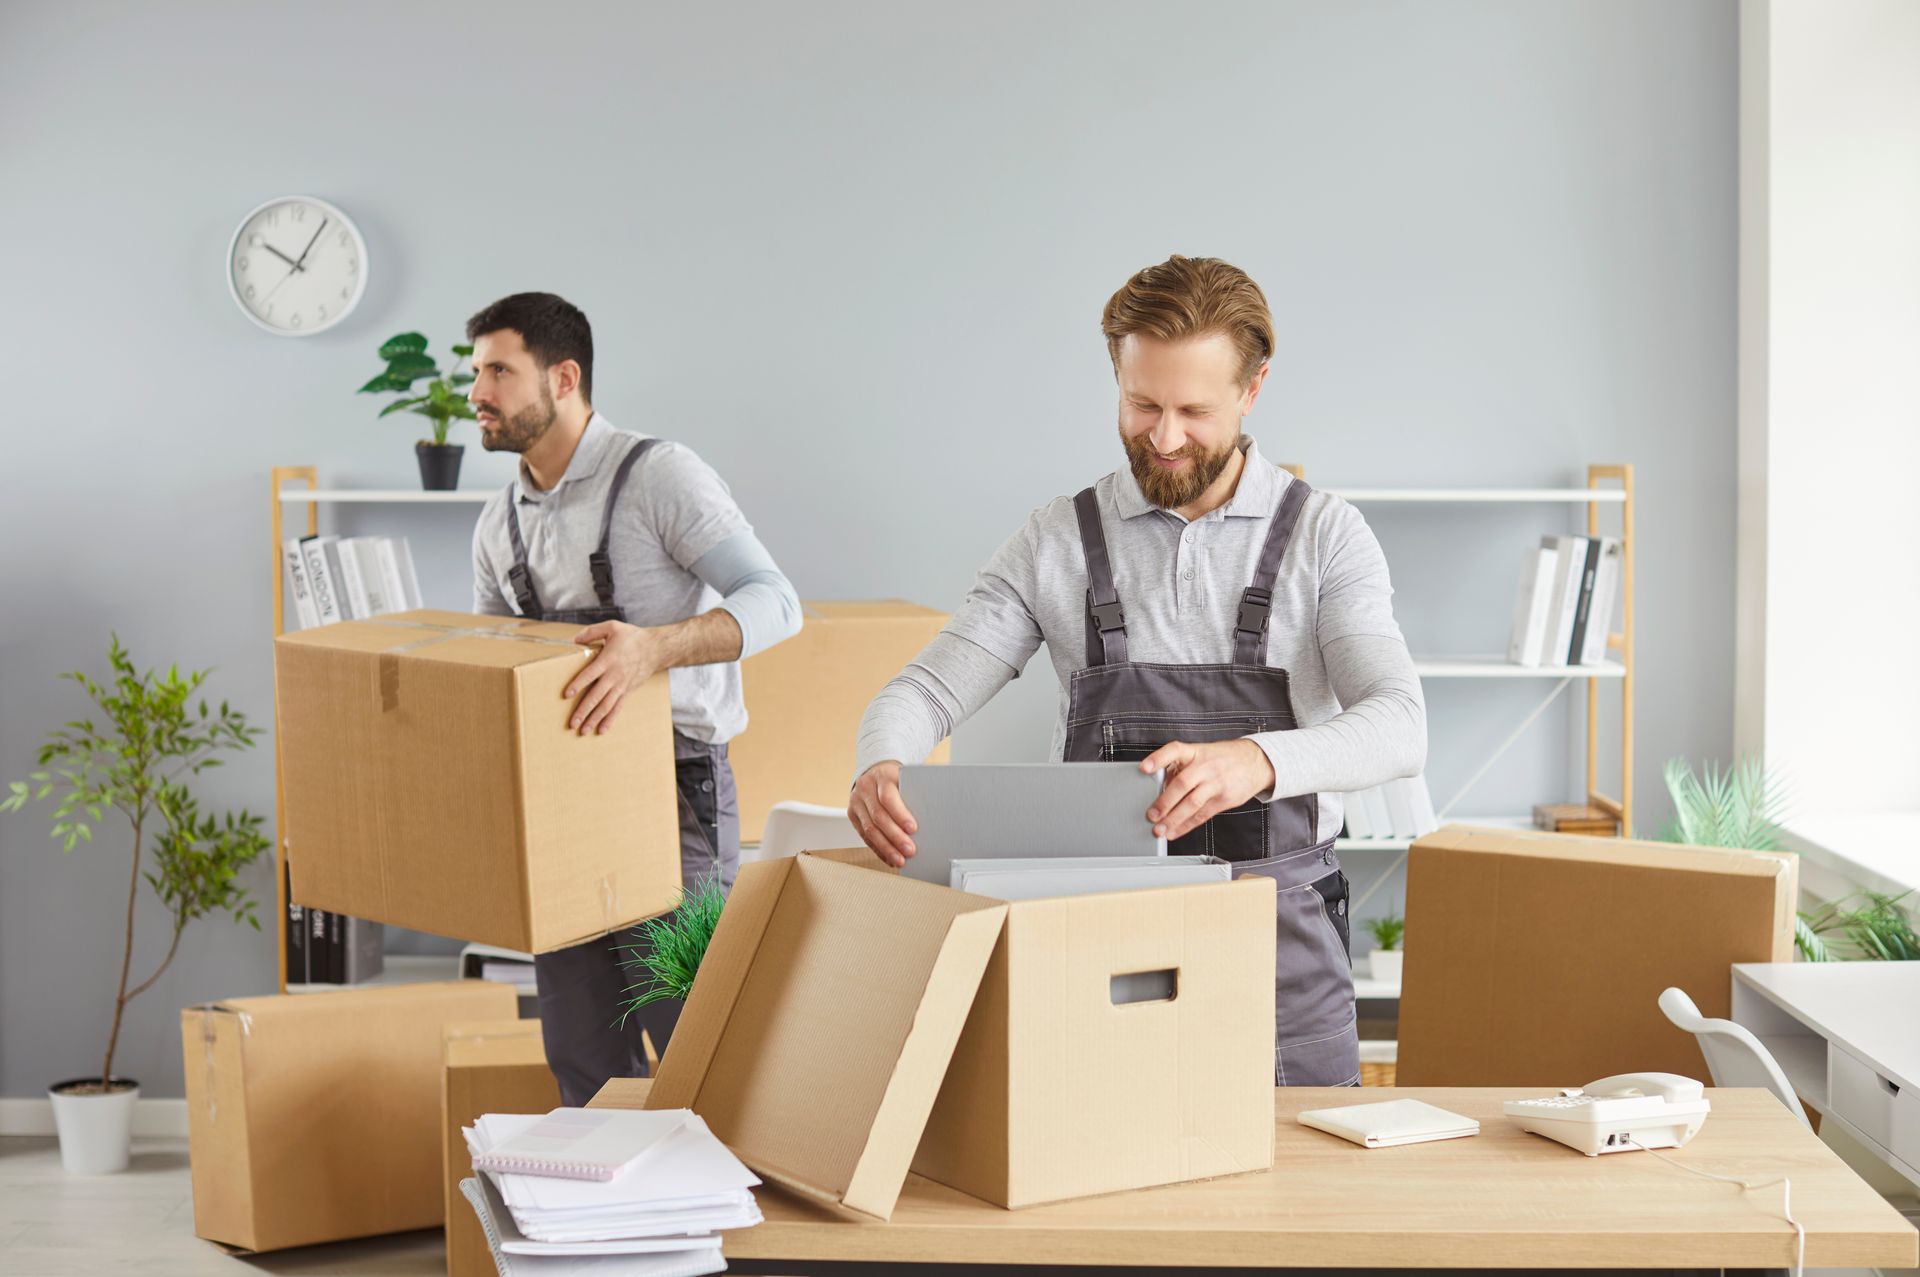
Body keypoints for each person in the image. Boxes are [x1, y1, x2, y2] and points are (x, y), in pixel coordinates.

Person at [849, 256, 1426, 1086]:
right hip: (1091, 957)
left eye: (1194, 410)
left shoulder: (1326, 537)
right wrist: (880, 760)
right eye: (1141, 403)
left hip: (1280, 965)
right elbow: (926, 690)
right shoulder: (1056, 540)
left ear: (1253, 389)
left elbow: (1402, 722)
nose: (1163, 437)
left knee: (1292, 1209)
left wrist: (1259, 759)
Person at [466, 292, 801, 1105]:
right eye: (475, 372)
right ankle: (610, 1227)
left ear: (564, 376)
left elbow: (776, 600)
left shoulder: (658, 477)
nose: (477, 391)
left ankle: (730, 1228)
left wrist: (654, 647)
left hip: (671, 794)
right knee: (582, 1049)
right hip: (561, 807)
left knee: (692, 1030)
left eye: (498, 371)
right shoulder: (496, 524)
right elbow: (492, 676)